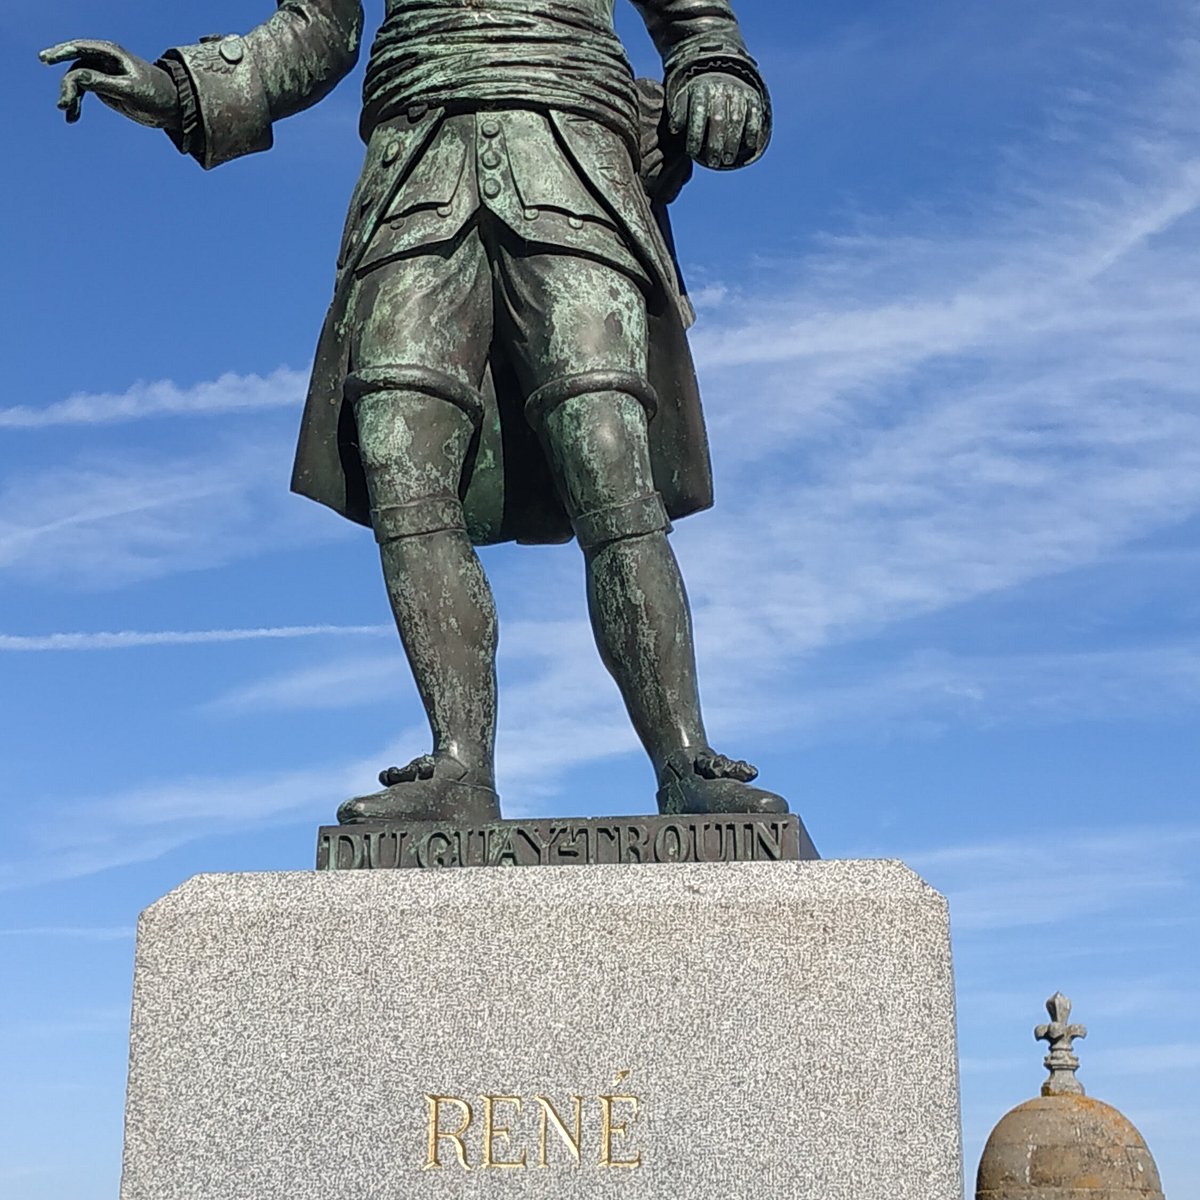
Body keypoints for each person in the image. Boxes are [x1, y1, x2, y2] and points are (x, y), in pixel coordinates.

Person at [42, 0, 788, 822]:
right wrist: (177, 88)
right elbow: (318, 28)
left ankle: (685, 763)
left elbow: (695, 20)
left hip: (573, 166)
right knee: (400, 456)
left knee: (608, 452)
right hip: (412, 176)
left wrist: (717, 71)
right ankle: (459, 768)